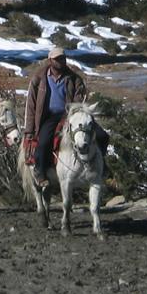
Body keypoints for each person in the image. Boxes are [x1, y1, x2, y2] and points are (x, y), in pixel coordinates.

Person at [24, 46, 108, 188]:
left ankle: (100, 165)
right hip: (49, 116)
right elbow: (31, 105)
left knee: (102, 136)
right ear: (50, 60)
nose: (61, 61)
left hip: (71, 115)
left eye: (63, 58)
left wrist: (74, 113)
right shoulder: (38, 79)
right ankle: (40, 171)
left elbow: (79, 100)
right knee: (44, 142)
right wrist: (29, 129)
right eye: (57, 59)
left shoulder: (74, 79)